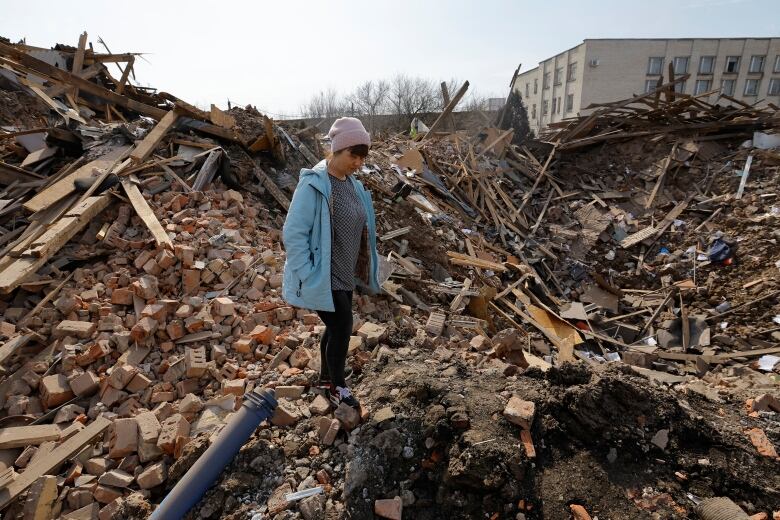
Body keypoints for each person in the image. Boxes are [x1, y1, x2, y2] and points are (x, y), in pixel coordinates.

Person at [282, 117, 380, 409]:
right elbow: (293, 233)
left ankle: (326, 378)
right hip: (323, 275)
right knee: (342, 326)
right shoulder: (314, 185)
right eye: (354, 155)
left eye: (363, 157)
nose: (358, 163)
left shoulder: (352, 184)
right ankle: (338, 388)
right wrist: (308, 273)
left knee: (335, 327)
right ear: (337, 150)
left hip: (345, 271)